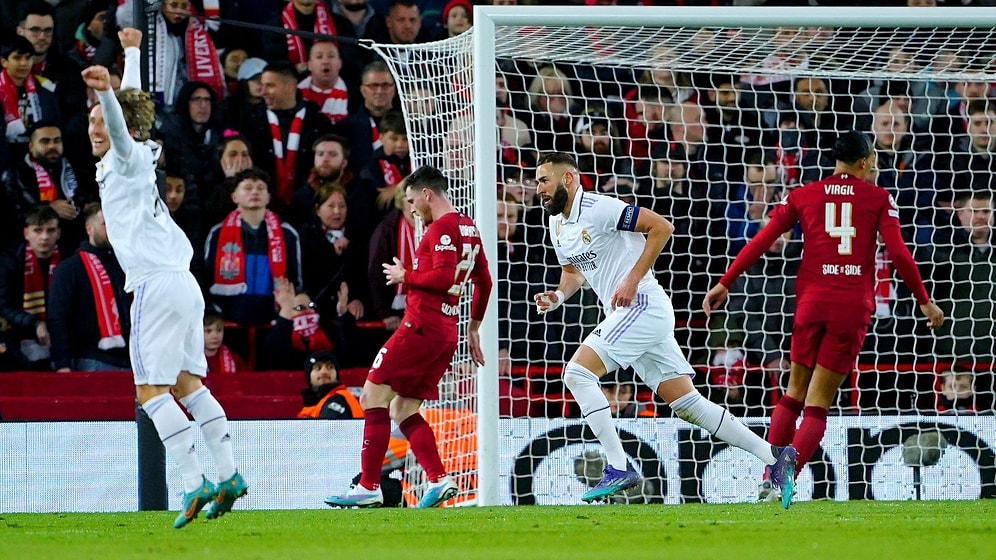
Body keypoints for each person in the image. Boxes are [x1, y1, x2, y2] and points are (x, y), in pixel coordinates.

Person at [530, 152, 797, 506]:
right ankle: (775, 458)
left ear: (568, 179)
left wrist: (632, 279)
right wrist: (558, 297)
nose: (538, 189)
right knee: (688, 405)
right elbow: (573, 272)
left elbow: (662, 227)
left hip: (642, 305)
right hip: (630, 314)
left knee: (577, 374)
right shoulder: (557, 225)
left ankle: (618, 466)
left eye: (544, 180)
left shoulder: (599, 207)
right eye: (537, 182)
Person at [702, 131, 945, 505]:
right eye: (873, 157)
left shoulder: (804, 194)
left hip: (811, 303)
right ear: (863, 161)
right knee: (817, 403)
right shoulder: (879, 198)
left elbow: (762, 239)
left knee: (793, 394)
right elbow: (899, 253)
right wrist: (925, 301)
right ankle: (785, 477)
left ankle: (769, 475)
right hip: (850, 308)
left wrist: (725, 282)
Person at [82, 27, 246, 529]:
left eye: (99, 120)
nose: (94, 128)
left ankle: (194, 481)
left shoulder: (127, 157)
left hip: (155, 285)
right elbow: (132, 109)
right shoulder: (138, 154)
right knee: (187, 383)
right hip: (182, 283)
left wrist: (106, 94)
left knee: (150, 392)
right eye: (91, 120)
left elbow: (121, 120)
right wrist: (131, 51)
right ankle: (229, 474)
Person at [325, 166, 492, 509]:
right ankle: (439, 479)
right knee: (402, 407)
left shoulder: (442, 228)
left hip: (420, 328)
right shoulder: (469, 228)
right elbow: (484, 282)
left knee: (371, 396)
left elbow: (444, 278)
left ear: (427, 194)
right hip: (446, 332)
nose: (413, 209)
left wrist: (406, 275)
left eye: (413, 201)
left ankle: (368, 485)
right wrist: (473, 327)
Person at [48, 202, 131, 373]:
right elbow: (58, 318)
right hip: (92, 360)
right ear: (89, 228)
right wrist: (62, 364)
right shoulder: (69, 269)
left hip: (132, 360)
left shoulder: (128, 264)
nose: (113, 228)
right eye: (105, 223)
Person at [298, 350, 362, 419]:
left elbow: (327, 425)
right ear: (309, 377)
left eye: (330, 367)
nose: (324, 372)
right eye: (318, 368)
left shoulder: (339, 399)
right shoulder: (314, 404)